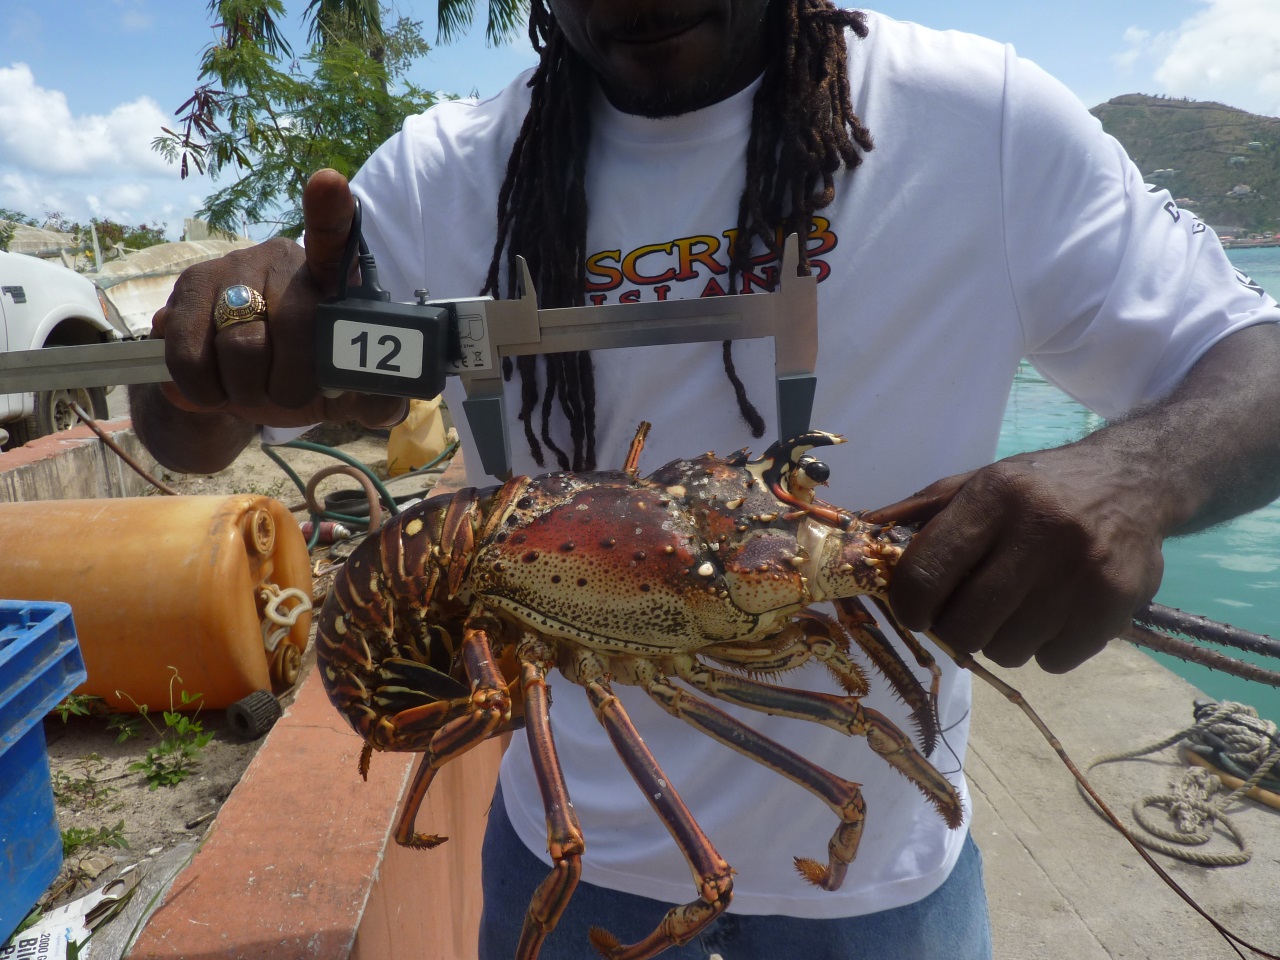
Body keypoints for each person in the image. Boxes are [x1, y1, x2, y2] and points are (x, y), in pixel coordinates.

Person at [130, 2, 1280, 958]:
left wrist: (1134, 474)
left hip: (883, 902)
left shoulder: (978, 121)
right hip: (559, 858)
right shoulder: (439, 174)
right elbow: (194, 429)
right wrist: (210, 359)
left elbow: (1252, 352)